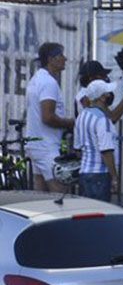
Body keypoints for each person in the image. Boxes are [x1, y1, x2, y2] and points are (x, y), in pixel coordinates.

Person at [25, 42, 72, 193]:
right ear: (51, 59)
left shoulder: (37, 79)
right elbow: (48, 117)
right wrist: (71, 123)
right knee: (61, 192)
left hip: (36, 144)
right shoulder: (48, 82)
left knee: (41, 196)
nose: (65, 59)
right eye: (61, 55)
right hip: (46, 147)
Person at [74, 80, 121, 202]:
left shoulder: (81, 116)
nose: (110, 95)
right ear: (101, 97)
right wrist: (114, 177)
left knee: (87, 215)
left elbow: (78, 149)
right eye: (107, 93)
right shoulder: (102, 119)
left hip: (84, 172)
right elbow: (106, 151)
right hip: (100, 175)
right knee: (100, 215)